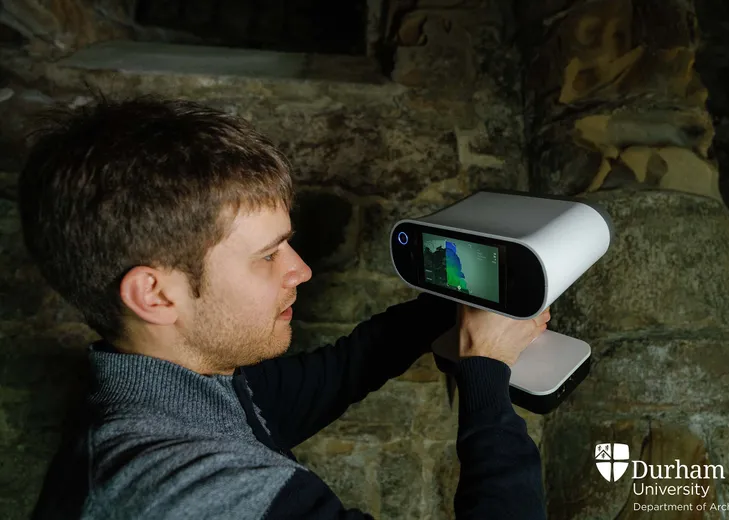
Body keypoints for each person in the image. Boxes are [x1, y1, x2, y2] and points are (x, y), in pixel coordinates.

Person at [18, 95, 550, 519]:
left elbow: (341, 370)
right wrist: (484, 371)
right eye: (269, 255)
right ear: (155, 295)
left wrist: (455, 300)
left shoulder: (180, 385)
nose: (301, 270)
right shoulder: (196, 494)